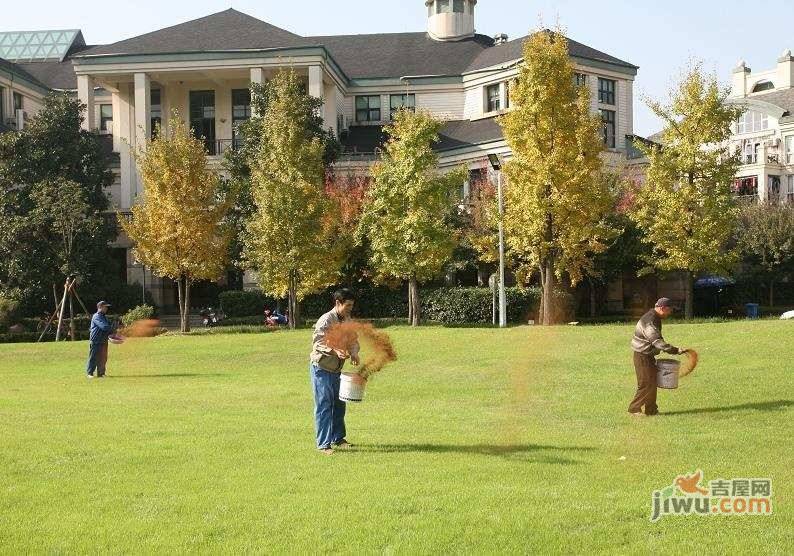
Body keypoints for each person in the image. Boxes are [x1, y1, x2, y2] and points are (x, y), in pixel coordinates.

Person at [309, 288, 360, 455]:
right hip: (321, 369)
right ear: (338, 303)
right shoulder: (325, 320)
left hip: (337, 371)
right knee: (324, 405)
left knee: (339, 404)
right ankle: (323, 445)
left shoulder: (346, 319)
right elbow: (317, 343)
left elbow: (353, 339)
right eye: (348, 305)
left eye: (352, 305)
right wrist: (334, 351)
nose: (350, 309)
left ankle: (338, 438)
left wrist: (354, 352)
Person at [629, 298, 687, 416]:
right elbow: (657, 342)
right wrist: (676, 350)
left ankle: (651, 410)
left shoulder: (655, 317)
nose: (670, 312)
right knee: (646, 383)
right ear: (662, 308)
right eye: (669, 310)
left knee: (652, 381)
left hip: (647, 354)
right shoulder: (650, 321)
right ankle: (634, 409)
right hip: (642, 355)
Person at [86, 301, 115, 378]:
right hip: (95, 340)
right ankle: (90, 373)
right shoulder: (96, 316)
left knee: (103, 357)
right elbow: (104, 327)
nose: (106, 308)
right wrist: (112, 329)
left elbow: (109, 327)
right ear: (100, 307)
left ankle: (101, 373)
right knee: (93, 357)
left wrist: (114, 332)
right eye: (105, 307)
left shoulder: (104, 317)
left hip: (103, 340)